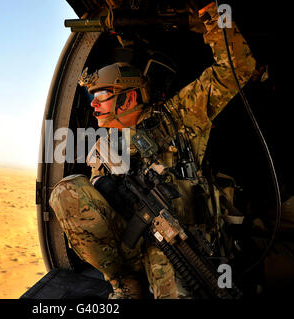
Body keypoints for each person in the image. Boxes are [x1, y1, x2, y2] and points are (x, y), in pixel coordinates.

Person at [49, 1, 256, 299]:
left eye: (103, 95)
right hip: (132, 244)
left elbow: (237, 68)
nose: (93, 104)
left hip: (178, 239)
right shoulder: (104, 145)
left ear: (130, 98)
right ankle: (123, 283)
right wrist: (105, 189)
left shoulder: (178, 116)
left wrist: (215, 15)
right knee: (66, 191)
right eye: (92, 97)